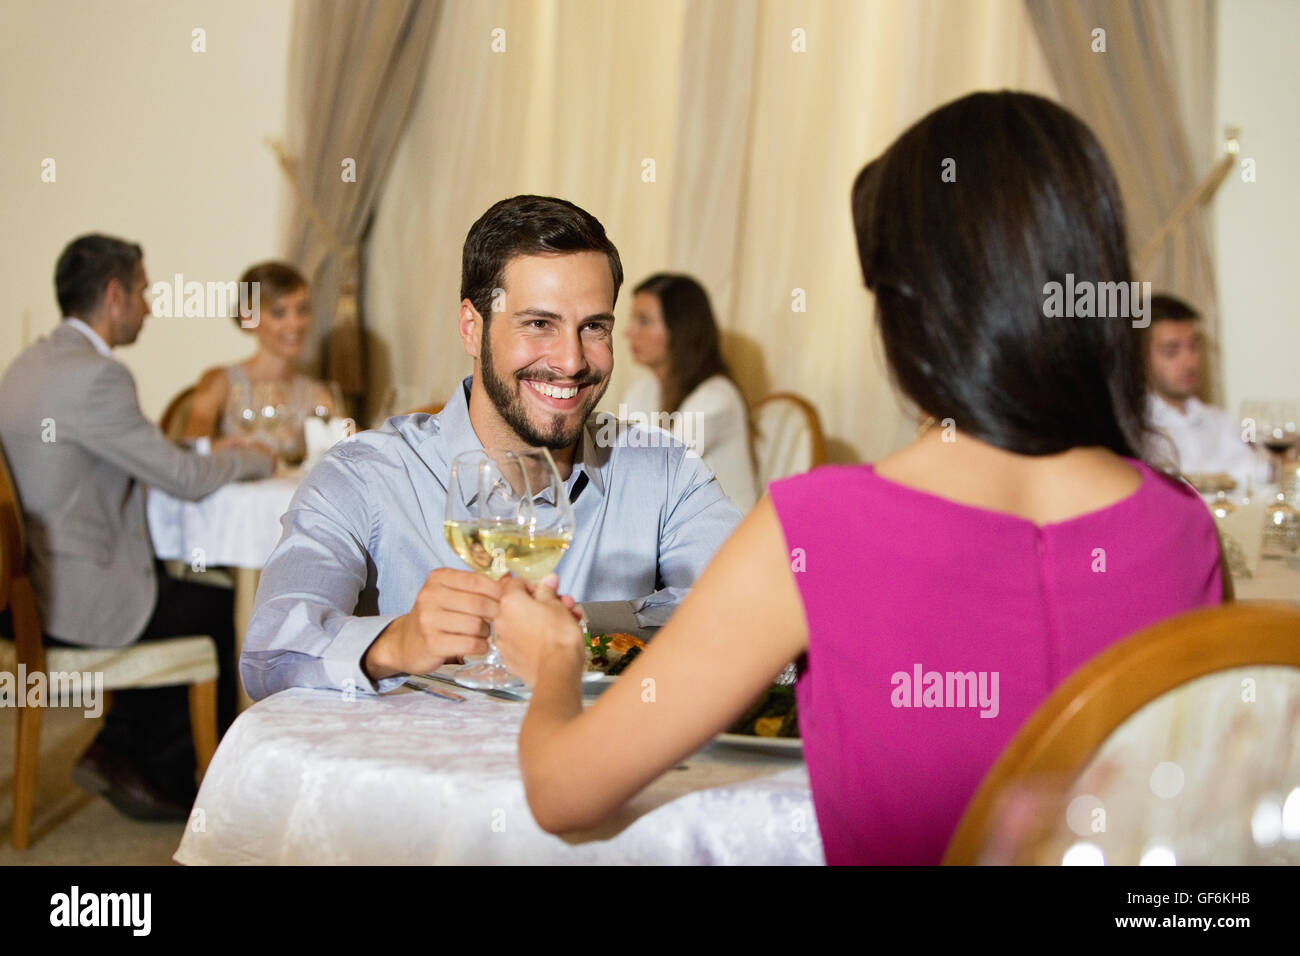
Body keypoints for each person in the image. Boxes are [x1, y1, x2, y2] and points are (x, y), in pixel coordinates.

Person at [489, 92, 1227, 865]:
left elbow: (563, 793)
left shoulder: (821, 526)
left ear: (911, 309)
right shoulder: (1184, 526)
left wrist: (556, 661)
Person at [240, 195, 743, 700]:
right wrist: (395, 641)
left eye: (593, 327)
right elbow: (269, 652)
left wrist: (586, 623)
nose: (571, 362)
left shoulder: (665, 471)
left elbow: (755, 610)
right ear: (471, 327)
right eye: (539, 324)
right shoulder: (364, 474)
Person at [0, 234, 274, 820]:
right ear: (115, 294)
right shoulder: (99, 376)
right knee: (215, 609)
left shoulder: (30, 363)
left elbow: (129, 451)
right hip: (74, 602)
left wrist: (203, 445)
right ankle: (171, 775)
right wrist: (255, 458)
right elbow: (183, 480)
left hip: (21, 594)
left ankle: (120, 747)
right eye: (145, 291)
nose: (151, 305)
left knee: (183, 589)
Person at [623, 273, 759, 510]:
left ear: (681, 329)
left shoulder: (717, 398)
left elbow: (658, 473)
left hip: (727, 538)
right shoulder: (642, 391)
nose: (629, 332)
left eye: (644, 321)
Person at [183, 261, 337, 460]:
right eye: (279, 313)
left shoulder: (315, 393)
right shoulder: (220, 381)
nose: (295, 324)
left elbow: (354, 443)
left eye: (302, 310)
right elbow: (194, 447)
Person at [1143, 293, 1261, 492]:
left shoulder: (1219, 421)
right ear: (1140, 358)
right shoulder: (1135, 427)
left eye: (1194, 346)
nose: (1189, 361)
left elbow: (1262, 472)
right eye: (1171, 351)